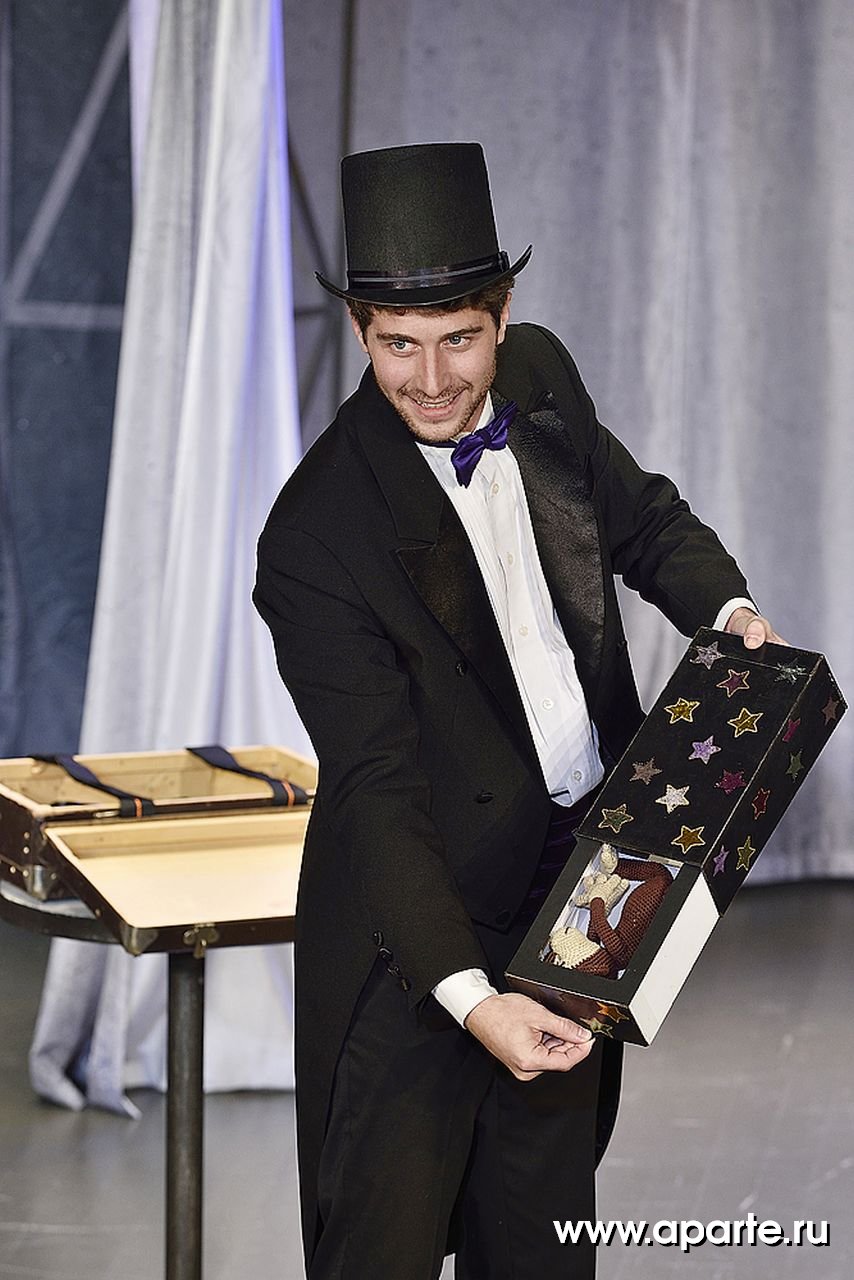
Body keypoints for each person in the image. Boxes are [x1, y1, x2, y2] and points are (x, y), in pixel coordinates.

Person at [254, 143, 782, 1280]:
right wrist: (468, 996)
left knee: (540, 1239)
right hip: (414, 930)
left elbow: (643, 520)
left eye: (458, 338)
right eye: (397, 344)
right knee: (381, 1247)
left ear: (502, 317)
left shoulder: (541, 379)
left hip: (573, 895)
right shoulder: (313, 537)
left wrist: (728, 612)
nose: (430, 378)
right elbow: (376, 792)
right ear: (359, 332)